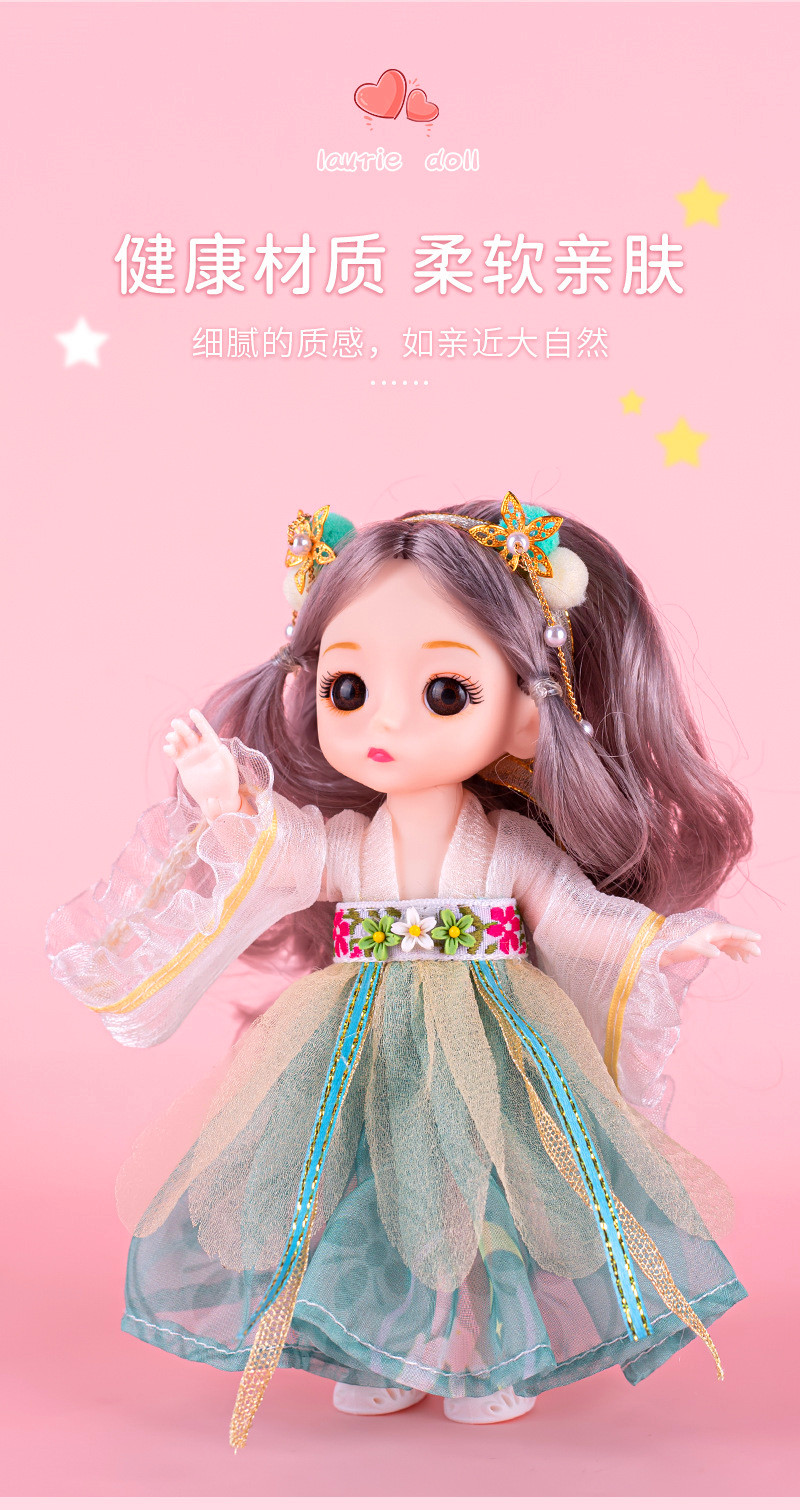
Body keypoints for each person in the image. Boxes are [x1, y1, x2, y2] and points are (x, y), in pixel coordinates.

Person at [47, 494, 759, 1447]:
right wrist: (225, 796)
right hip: (360, 1037)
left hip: (494, 1037)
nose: (383, 720)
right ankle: (384, 1354)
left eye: (445, 693)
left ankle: (489, 1351)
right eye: (347, 688)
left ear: (524, 718)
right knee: (369, 1192)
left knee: (485, 1198)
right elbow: (283, 849)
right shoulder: (350, 841)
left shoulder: (506, 845)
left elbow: (577, 916)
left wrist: (666, 942)